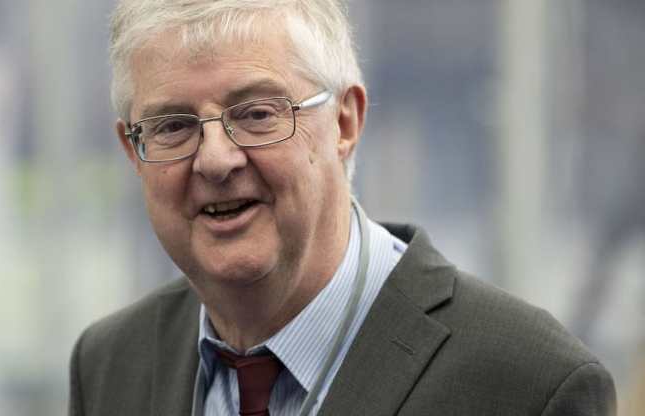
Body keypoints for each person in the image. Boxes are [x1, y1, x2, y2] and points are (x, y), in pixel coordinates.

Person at [68, 1, 616, 415]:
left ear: (346, 122)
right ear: (132, 152)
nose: (215, 160)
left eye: (258, 113)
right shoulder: (111, 365)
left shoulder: (530, 385)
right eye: (173, 127)